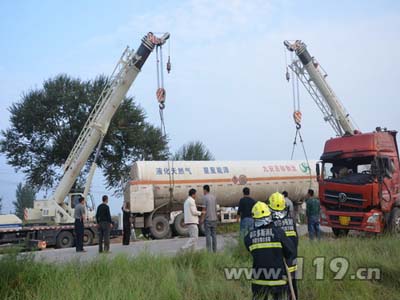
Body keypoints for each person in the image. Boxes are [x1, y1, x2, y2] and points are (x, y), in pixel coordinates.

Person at [245, 201, 297, 300]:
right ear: (269, 215)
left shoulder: (249, 236)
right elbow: (290, 251)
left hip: (258, 280)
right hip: (278, 280)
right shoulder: (278, 232)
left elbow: (250, 250)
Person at [269, 192, 299, 299]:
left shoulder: (271, 224)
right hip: (292, 261)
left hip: (278, 264)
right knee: (293, 288)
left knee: (279, 292)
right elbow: (296, 241)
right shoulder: (291, 221)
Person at [201, 185, 218, 252]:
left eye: (203, 190)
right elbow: (215, 208)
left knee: (208, 235)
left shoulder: (205, 198)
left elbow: (204, 209)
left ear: (205, 190)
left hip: (208, 219)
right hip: (214, 219)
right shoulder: (214, 197)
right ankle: (215, 250)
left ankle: (209, 251)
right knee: (214, 235)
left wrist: (202, 218)